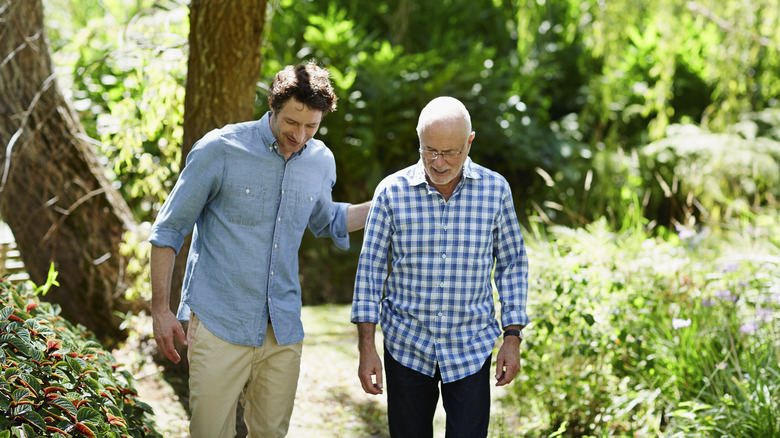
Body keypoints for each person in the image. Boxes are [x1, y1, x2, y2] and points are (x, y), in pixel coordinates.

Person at [149, 61, 370, 438]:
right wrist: (160, 309)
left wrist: (383, 207)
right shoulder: (220, 149)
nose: (300, 135)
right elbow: (168, 231)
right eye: (291, 123)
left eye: (311, 126)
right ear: (272, 107)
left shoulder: (321, 161)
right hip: (220, 321)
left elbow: (326, 220)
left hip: (282, 328)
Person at [350, 96, 529, 438]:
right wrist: (367, 347)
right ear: (418, 142)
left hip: (471, 346)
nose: (440, 162)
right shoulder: (391, 192)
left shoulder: (496, 190)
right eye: (430, 150)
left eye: (451, 152)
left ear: (469, 142)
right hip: (407, 346)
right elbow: (370, 271)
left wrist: (512, 336)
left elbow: (512, 264)